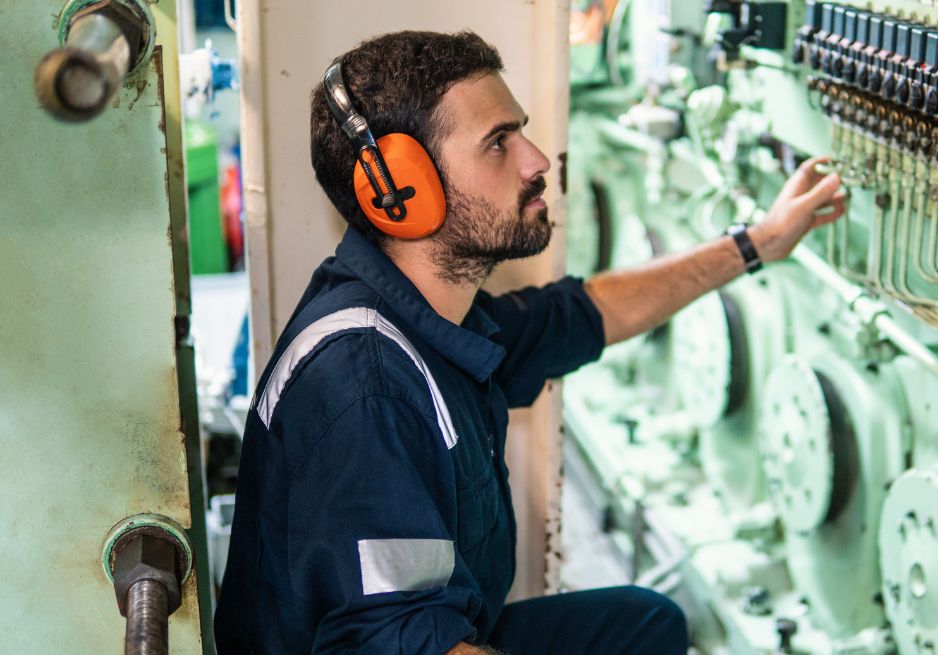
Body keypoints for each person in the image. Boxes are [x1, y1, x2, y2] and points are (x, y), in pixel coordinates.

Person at [214, 30, 845, 655]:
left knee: (644, 623)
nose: (537, 159)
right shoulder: (364, 383)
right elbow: (399, 645)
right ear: (401, 194)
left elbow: (581, 312)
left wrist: (757, 243)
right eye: (498, 143)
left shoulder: (432, 319)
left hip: (444, 630)